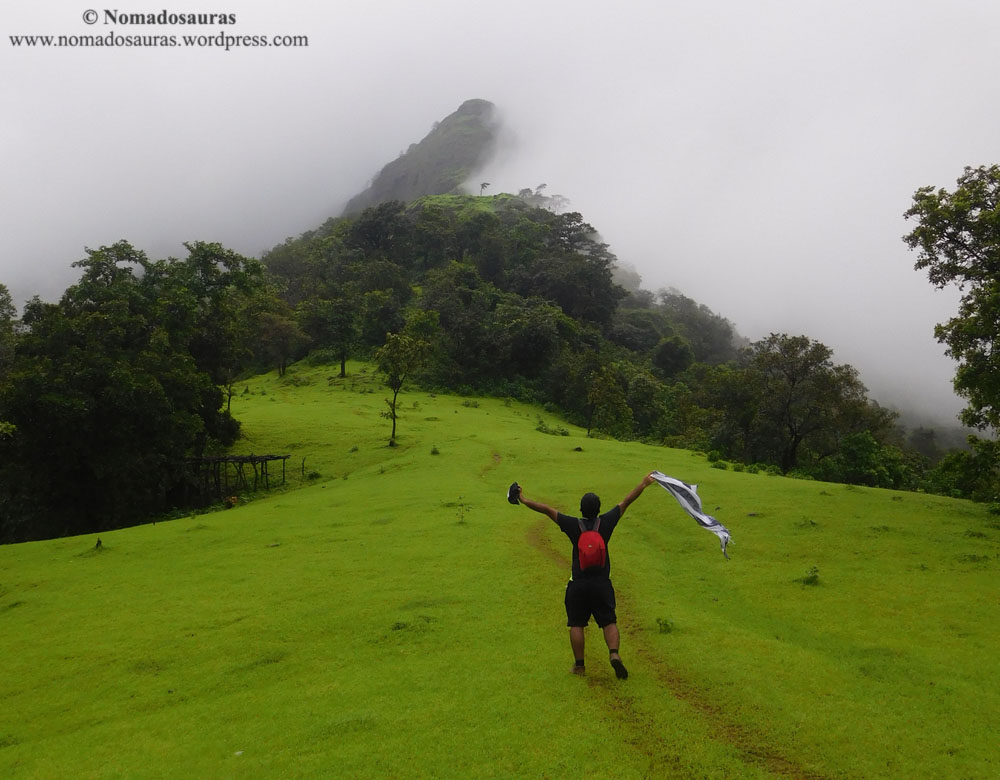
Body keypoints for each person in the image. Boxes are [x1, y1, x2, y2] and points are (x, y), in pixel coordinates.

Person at [513, 473, 656, 678]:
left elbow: (546, 510)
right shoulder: (606, 523)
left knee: (576, 624)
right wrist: (643, 483)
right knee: (609, 622)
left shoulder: (573, 525)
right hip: (602, 584)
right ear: (598, 509)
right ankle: (614, 654)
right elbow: (626, 501)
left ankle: (579, 666)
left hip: (578, 584)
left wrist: (524, 499)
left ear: (581, 509)